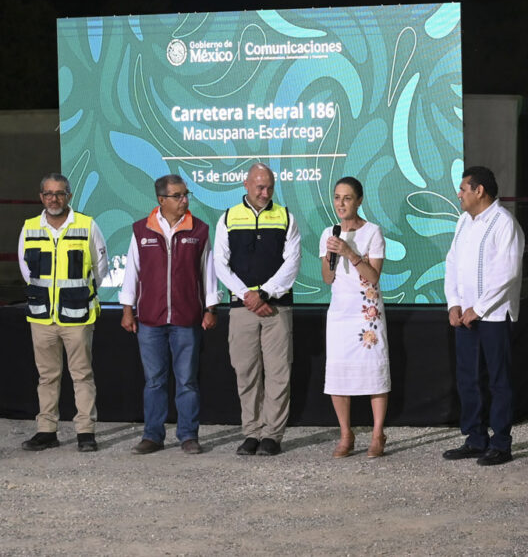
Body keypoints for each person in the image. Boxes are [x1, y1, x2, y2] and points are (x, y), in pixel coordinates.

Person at [119, 175, 219, 455]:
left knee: (187, 381)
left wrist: (210, 308)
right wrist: (127, 310)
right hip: (150, 319)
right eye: (178, 196)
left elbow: (208, 272)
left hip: (187, 319)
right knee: (154, 381)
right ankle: (152, 436)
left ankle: (188, 435)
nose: (184, 200)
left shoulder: (199, 230)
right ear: (161, 200)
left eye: (186, 194)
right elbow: (132, 271)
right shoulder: (142, 230)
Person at [214, 162, 301, 456]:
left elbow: (292, 263)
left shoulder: (286, 217)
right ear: (246, 185)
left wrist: (263, 294)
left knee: (278, 373)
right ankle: (251, 432)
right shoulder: (228, 218)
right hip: (242, 310)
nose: (265, 193)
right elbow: (220, 264)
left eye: (270, 188)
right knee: (246, 371)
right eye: (260, 187)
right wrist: (247, 296)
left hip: (277, 308)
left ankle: (272, 436)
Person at [17, 172, 109, 452]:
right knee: (47, 376)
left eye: (59, 193)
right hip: (42, 317)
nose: (53, 199)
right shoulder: (30, 227)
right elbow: (26, 270)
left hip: (78, 315)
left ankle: (85, 432)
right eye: (48, 193)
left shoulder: (87, 225)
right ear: (41, 197)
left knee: (82, 375)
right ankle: (47, 431)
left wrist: (78, 293)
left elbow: (101, 268)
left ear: (69, 196)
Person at [441, 166, 524, 466]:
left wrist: (479, 307)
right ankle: (475, 438)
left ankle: (501, 443)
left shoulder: (504, 223)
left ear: (480, 191)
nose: (458, 194)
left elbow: (508, 272)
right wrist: (454, 303)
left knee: (498, 380)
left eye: (463, 189)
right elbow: (452, 263)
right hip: (464, 315)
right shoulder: (464, 221)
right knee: (468, 378)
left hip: (494, 315)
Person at [320, 177, 388, 458]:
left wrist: (349, 252)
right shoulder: (329, 233)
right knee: (338, 373)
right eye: (337, 197)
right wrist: (331, 253)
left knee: (374, 370)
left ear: (359, 201)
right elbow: (327, 279)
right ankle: (346, 433)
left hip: (366, 314)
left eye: (347, 198)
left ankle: (377, 433)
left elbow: (373, 277)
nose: (341, 203)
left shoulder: (373, 232)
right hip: (340, 313)